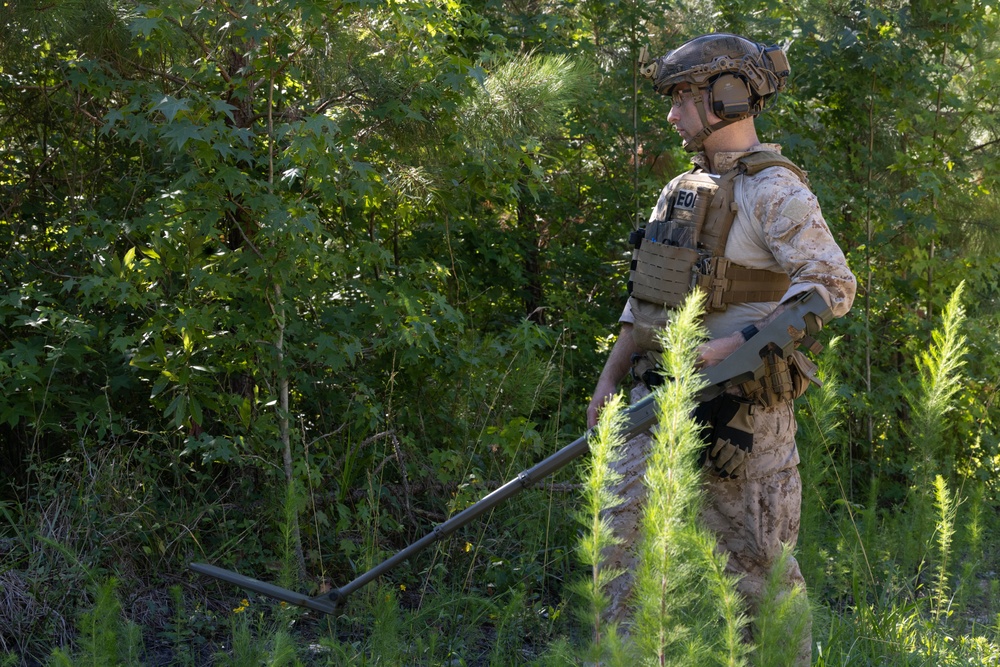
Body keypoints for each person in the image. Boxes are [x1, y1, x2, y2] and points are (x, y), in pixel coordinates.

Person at [586, 33, 857, 664]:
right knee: (618, 556)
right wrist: (609, 380)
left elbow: (832, 288)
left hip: (745, 415)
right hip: (655, 400)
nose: (672, 114)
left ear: (727, 97)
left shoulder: (776, 191)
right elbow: (647, 302)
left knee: (759, 571)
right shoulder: (682, 190)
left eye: (683, 97)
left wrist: (740, 340)